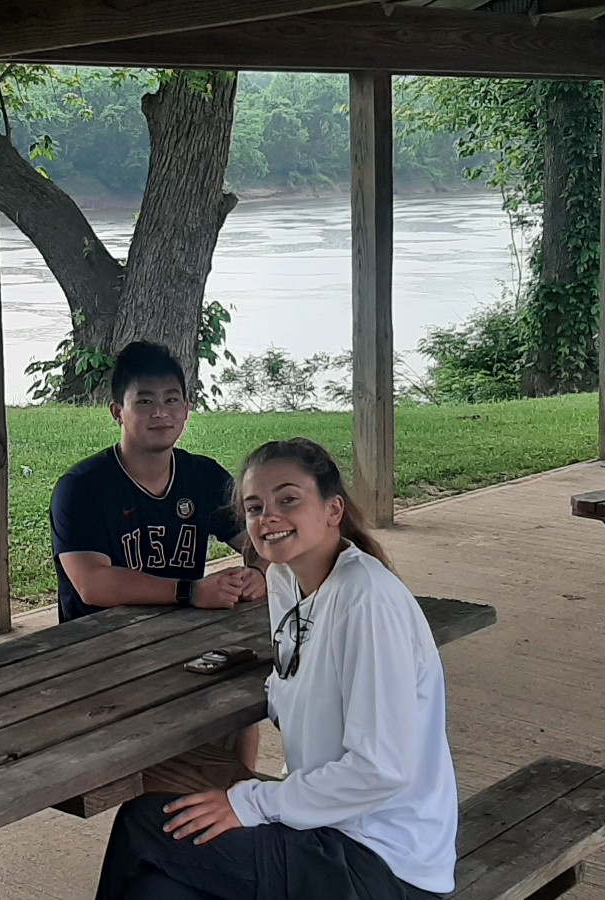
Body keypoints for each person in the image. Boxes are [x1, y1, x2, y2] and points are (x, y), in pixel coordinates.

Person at [94, 437, 458, 900]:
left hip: (385, 862)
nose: (268, 516)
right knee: (157, 888)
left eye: (289, 499)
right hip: (329, 828)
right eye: (254, 506)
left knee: (145, 824)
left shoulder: (367, 602)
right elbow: (295, 682)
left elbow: (380, 770)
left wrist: (250, 802)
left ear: (333, 510)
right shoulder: (286, 581)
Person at [49, 341, 266, 792]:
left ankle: (236, 808)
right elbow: (92, 585)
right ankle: (219, 809)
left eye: (171, 400)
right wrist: (191, 591)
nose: (160, 412)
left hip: (182, 639)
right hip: (101, 651)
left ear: (187, 409)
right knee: (207, 710)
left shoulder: (204, 478)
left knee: (247, 693)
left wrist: (257, 574)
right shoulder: (82, 488)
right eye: (144, 401)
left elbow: (258, 543)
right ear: (117, 412)